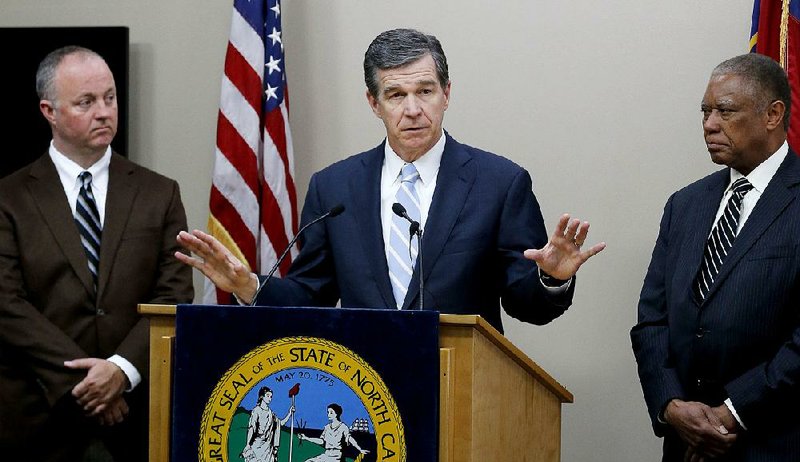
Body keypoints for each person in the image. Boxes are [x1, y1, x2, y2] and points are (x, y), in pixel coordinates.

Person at [177, 28, 605, 333]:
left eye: (425, 91)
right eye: (396, 95)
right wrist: (249, 285)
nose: (413, 108)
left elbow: (524, 304)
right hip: (360, 394)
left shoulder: (500, 183)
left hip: (462, 389)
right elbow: (311, 295)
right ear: (374, 103)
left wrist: (551, 279)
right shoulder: (334, 188)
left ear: (447, 93)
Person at [0, 46, 194, 462]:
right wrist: (88, 385)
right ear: (49, 110)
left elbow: (174, 294)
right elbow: (7, 306)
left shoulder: (159, 193)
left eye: (109, 98)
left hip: (135, 430)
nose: (104, 111)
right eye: (86, 102)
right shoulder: (8, 198)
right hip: (36, 429)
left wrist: (121, 372)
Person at [632, 53, 800, 462]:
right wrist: (672, 406)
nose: (709, 124)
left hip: (774, 453)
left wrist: (731, 413)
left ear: (773, 115)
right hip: (684, 456)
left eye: (725, 111)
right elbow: (652, 321)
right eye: (705, 111)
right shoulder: (684, 205)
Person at [297, 404, 368, 462]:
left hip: (336, 457)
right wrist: (306, 438)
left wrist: (360, 449)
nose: (328, 414)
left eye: (331, 412)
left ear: (336, 414)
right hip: (326, 455)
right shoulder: (327, 427)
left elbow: (350, 439)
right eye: (328, 412)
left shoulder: (343, 427)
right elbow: (321, 441)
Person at [242, 387, 295, 462]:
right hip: (257, 447)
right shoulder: (256, 411)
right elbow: (251, 428)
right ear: (262, 396)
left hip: (268, 448)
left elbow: (280, 423)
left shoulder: (271, 413)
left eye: (271, 397)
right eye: (268, 396)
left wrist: (290, 413)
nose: (270, 398)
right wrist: (247, 444)